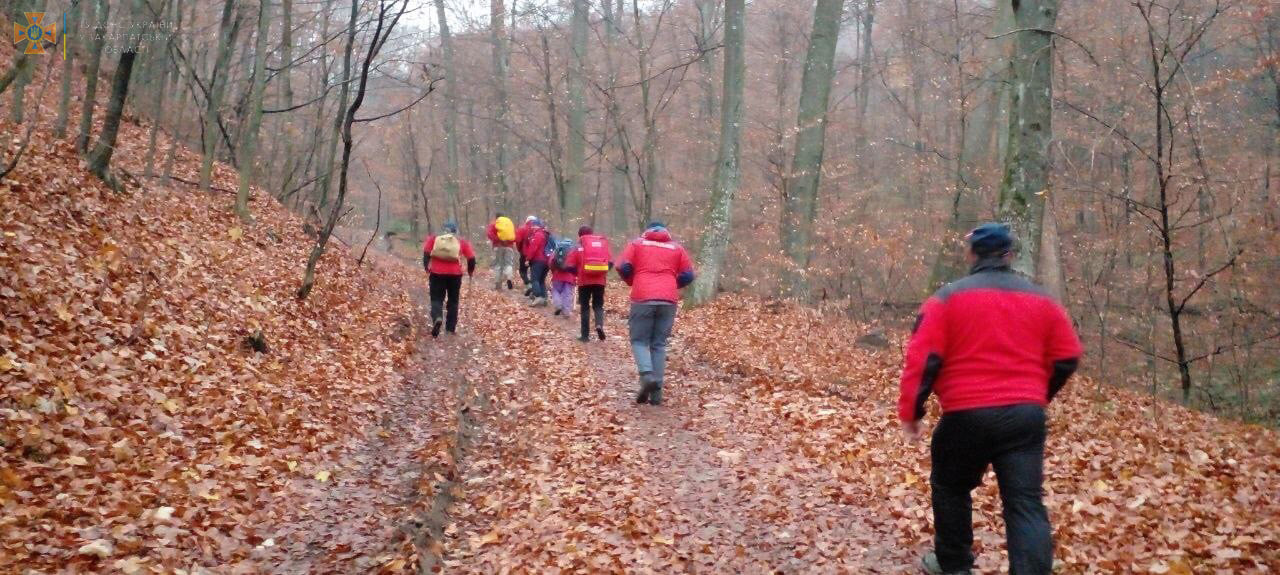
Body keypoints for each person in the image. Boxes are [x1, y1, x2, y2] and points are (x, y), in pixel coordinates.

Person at [898, 223, 1081, 575]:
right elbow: (1067, 356)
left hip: (967, 415)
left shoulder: (946, 299)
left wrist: (911, 412)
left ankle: (954, 566)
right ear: (1010, 255)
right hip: (1025, 418)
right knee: (1025, 502)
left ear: (971, 254)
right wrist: (1038, 395)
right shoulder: (1042, 300)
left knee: (950, 486)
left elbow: (922, 360)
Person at [616, 221, 694, 406]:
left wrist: (632, 280)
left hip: (643, 297)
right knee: (659, 344)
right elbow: (689, 275)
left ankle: (647, 376)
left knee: (639, 340)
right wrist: (672, 285)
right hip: (668, 299)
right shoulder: (676, 248)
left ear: (647, 231)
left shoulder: (637, 244)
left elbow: (622, 266)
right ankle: (656, 394)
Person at [422, 221, 477, 338]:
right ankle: (450, 329)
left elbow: (426, 252)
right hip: (455, 275)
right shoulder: (461, 241)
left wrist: (426, 266)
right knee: (453, 301)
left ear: (444, 230)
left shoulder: (435, 239)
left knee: (436, 298)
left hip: (437, 273)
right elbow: (471, 258)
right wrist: (470, 271)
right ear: (455, 231)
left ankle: (437, 317)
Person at [564, 225, 612, 342]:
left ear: (579, 235)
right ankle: (599, 325)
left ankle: (585, 336)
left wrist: (578, 273)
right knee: (598, 305)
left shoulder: (578, 246)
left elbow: (569, 265)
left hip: (584, 281)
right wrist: (602, 272)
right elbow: (610, 262)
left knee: (585, 307)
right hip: (600, 281)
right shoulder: (601, 245)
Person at [521, 218, 551, 307]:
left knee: (535, 279)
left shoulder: (538, 235)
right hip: (546, 260)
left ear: (537, 226)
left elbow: (533, 248)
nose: (532, 227)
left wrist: (528, 259)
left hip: (538, 260)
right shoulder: (546, 235)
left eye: (534, 225)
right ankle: (544, 297)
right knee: (541, 280)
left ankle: (537, 296)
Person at [486, 213, 518, 291]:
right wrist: (507, 242)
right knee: (508, 264)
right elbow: (514, 237)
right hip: (509, 247)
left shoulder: (494, 224)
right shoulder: (509, 225)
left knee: (497, 265)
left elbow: (489, 234)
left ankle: (498, 285)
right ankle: (509, 278)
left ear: (496, 217)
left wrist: (499, 240)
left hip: (498, 247)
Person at [548, 236, 577, 317]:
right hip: (570, 276)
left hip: (557, 275)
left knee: (556, 291)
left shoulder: (558, 249)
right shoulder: (573, 251)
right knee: (567, 294)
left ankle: (558, 305)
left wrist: (553, 271)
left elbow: (551, 261)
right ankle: (566, 311)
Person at [514, 215, 537, 296]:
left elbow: (518, 240)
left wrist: (520, 249)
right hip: (537, 255)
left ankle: (529, 285)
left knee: (522, 271)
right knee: (535, 272)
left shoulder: (522, 229)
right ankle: (535, 289)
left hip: (525, 254)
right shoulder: (538, 229)